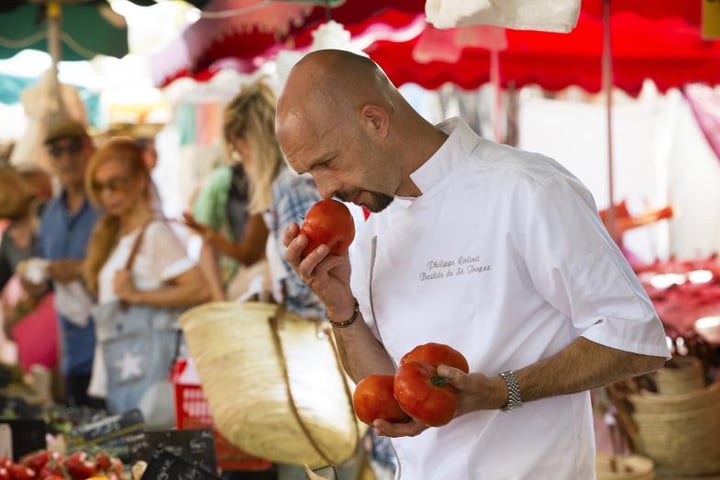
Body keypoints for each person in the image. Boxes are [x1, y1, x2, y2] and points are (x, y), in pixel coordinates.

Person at [277, 50, 670, 479]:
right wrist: (340, 308)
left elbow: (635, 337)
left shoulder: (527, 188)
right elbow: (385, 385)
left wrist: (502, 391)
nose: (325, 190)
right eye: (309, 175)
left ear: (375, 120)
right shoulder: (373, 230)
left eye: (327, 163)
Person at [214, 81, 364, 480]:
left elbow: (317, 272)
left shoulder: (289, 186)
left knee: (323, 461)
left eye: (239, 146)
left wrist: (279, 295)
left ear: (252, 139)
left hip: (317, 349)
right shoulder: (283, 189)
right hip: (318, 348)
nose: (238, 158)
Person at [82, 137, 210, 418]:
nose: (108, 194)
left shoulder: (154, 234)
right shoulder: (116, 233)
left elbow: (199, 289)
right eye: (100, 186)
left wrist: (137, 295)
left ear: (140, 180)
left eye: (117, 183)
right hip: (124, 364)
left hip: (147, 367)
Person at [23, 119, 102, 409]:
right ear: (49, 159)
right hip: (71, 352)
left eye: (74, 148)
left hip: (112, 350)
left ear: (89, 149)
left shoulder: (108, 204)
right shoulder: (50, 214)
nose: (67, 159)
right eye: (57, 152)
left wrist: (83, 270)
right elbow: (44, 281)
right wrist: (34, 282)